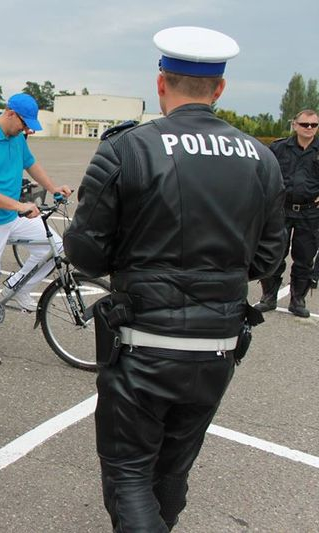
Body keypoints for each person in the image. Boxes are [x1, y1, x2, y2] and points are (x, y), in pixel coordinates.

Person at [63, 27, 285, 531]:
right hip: (218, 347)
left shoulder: (128, 148)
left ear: (161, 83)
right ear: (219, 89)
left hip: (143, 343)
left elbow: (85, 252)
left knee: (129, 475)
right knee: (172, 471)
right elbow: (268, 260)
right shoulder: (262, 158)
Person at [0, 93, 72, 366]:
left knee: (56, 246)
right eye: (24, 124)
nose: (26, 130)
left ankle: (19, 286)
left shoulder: (17, 137)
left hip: (11, 215)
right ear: (10, 113)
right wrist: (19, 205)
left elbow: (31, 164)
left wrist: (53, 187)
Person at [254, 108, 319, 317]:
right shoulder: (279, 148)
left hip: (310, 213)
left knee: (304, 257)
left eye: (314, 125)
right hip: (281, 209)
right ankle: (268, 297)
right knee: (273, 253)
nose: (309, 128)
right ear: (295, 125)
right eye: (305, 124)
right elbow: (263, 172)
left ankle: (297, 300)